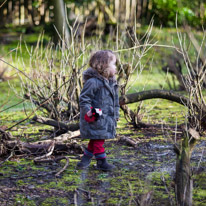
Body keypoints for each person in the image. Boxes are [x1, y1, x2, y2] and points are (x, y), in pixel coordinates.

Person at [77, 50, 120, 171]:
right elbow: (84, 99)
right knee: (98, 140)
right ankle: (102, 162)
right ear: (104, 66)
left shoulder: (112, 83)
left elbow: (115, 101)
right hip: (96, 118)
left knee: (96, 139)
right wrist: (88, 111)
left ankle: (84, 161)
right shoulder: (93, 82)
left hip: (107, 118)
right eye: (113, 64)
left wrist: (116, 114)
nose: (116, 67)